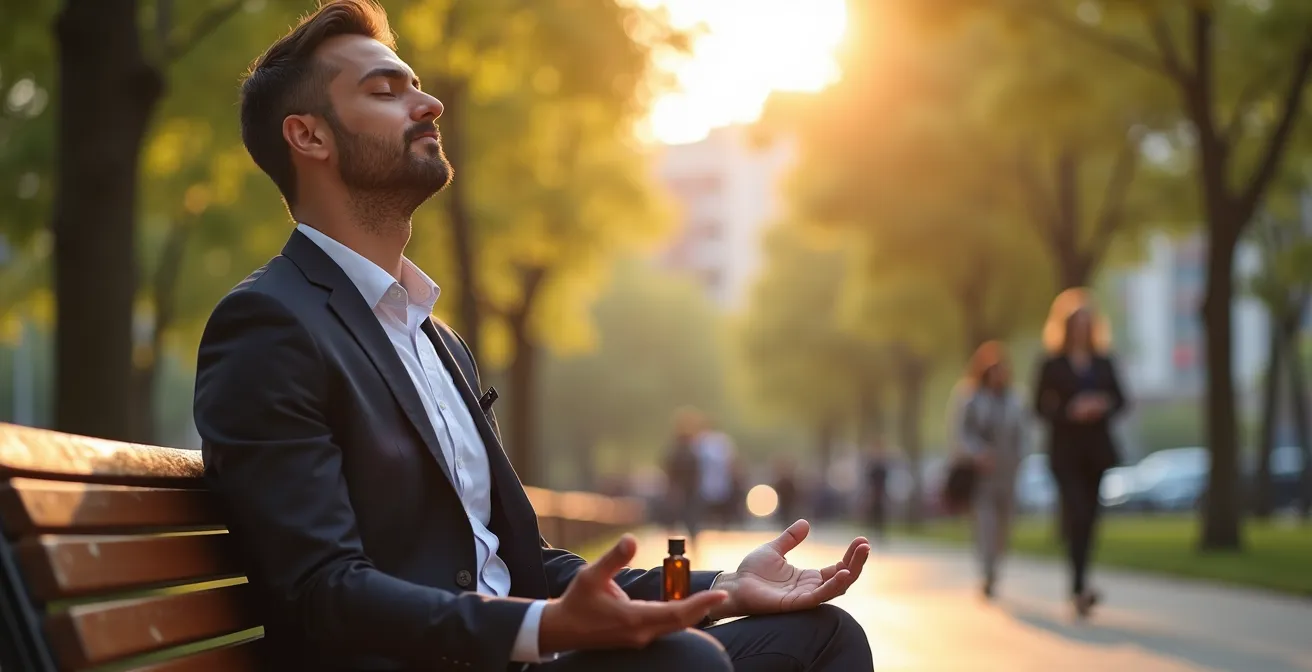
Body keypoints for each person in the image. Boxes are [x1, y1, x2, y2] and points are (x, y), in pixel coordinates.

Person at [192, 2, 874, 670]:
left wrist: (718, 587)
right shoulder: (270, 326)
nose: (428, 105)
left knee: (822, 636)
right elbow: (321, 588)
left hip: (514, 654)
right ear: (309, 137)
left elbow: (524, 564)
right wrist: (537, 626)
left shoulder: (434, 337)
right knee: (682, 664)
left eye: (418, 86)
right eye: (385, 91)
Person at [1032, 289, 1127, 619]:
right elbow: (1038, 408)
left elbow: (1121, 400)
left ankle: (1081, 581)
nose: (1082, 331)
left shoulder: (1104, 362)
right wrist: (1070, 411)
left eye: (1088, 324)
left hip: (1096, 453)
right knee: (1077, 513)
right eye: (1076, 325)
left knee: (1091, 517)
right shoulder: (1051, 364)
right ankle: (1078, 586)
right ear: (1066, 328)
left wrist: (1101, 404)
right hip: (1066, 453)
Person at [953, 342, 1026, 599]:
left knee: (1005, 524)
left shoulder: (1015, 400)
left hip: (1007, 473)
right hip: (981, 474)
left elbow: (1022, 434)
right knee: (985, 524)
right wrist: (978, 453)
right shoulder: (970, 398)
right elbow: (961, 434)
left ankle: (996, 566)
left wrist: (1019, 460)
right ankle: (987, 571)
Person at [663, 408, 704, 545]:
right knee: (680, 519)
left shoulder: (686, 449)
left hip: (688, 490)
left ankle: (689, 544)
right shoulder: (682, 449)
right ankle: (681, 546)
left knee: (687, 519)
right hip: (683, 489)